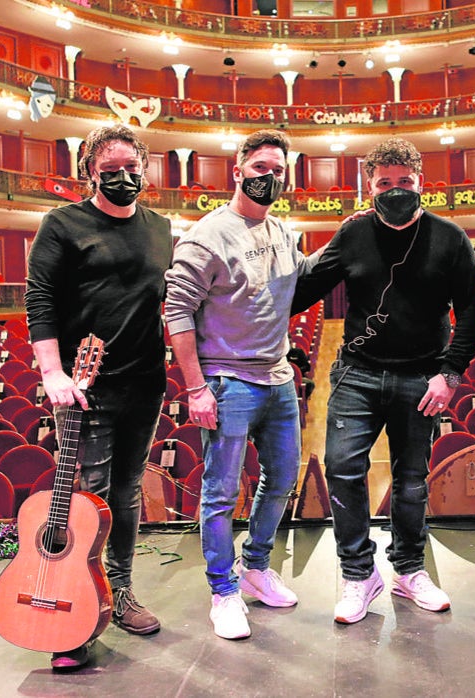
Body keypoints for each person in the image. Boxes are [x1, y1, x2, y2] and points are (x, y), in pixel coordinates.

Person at [293, 137, 475, 625]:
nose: (395, 190)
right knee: (341, 468)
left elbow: (470, 313)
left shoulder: (450, 237)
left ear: (422, 184)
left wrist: (449, 374)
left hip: (423, 377)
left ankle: (408, 569)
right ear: (368, 188)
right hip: (357, 374)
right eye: (384, 183)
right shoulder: (353, 235)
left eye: (404, 182)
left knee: (412, 481)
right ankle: (358, 575)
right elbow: (302, 291)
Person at [24, 124, 173, 669]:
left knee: (128, 490)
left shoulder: (161, 227)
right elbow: (39, 299)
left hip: (144, 382)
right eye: (110, 172)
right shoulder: (62, 224)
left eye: (132, 169)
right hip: (83, 387)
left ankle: (120, 591)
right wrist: (53, 374)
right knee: (87, 496)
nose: (124, 179)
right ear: (89, 171)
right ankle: (72, 606)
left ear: (147, 169)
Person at [164, 129, 309, 640]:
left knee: (284, 477)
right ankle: (223, 591)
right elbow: (176, 311)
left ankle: (255, 566)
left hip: (278, 377)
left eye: (278, 170)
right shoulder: (208, 234)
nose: (270, 177)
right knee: (221, 492)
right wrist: (196, 388)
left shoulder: (283, 233)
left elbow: (302, 283)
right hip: (228, 381)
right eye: (261, 168)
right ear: (239, 170)